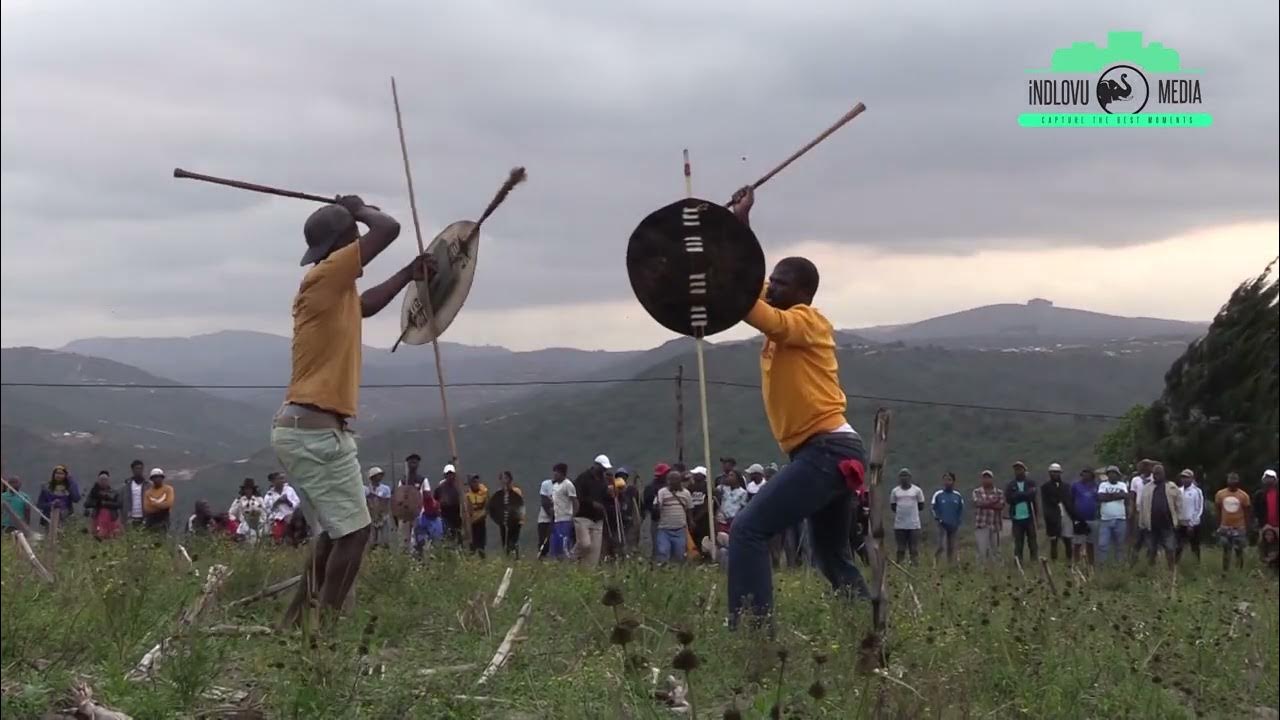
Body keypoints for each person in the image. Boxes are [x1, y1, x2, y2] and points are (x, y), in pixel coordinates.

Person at [269, 192, 425, 628]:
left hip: (308, 427)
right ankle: (323, 636)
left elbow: (367, 306)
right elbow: (388, 229)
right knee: (355, 535)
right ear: (347, 240)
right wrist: (359, 209)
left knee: (341, 531)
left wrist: (408, 275)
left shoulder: (331, 289)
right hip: (314, 430)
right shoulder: (327, 275)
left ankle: (295, 625)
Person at [723, 185, 871, 628]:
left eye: (781, 282)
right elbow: (758, 297)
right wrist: (740, 227)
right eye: (771, 279)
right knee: (830, 557)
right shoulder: (782, 332)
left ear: (804, 292)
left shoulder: (807, 321)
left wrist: (734, 248)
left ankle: (752, 630)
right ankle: (869, 623)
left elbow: (755, 309)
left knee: (748, 530)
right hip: (829, 452)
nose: (771, 286)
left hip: (827, 451)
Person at [1137, 463, 1182, 569]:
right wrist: (1141, 523)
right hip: (1151, 524)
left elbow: (1179, 505)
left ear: (1163, 474)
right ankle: (1151, 570)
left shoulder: (1172, 487)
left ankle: (1171, 570)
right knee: (1151, 548)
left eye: (1159, 473)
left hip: (1167, 523)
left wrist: (1178, 519)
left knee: (1170, 548)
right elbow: (1142, 506)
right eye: (1155, 474)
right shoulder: (1147, 488)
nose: (1157, 476)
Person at [572, 455, 610, 566]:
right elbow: (577, 495)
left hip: (598, 519)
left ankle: (587, 573)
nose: (604, 470)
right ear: (596, 466)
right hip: (583, 516)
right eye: (603, 468)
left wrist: (609, 494)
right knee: (585, 544)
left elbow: (604, 497)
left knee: (594, 552)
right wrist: (591, 503)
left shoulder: (603, 481)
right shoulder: (583, 478)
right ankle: (570, 557)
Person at [1214, 472, 1251, 572]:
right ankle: (1225, 571)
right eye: (1230, 480)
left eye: (1234, 480)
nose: (1232, 482)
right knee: (1226, 549)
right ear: (1227, 481)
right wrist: (1219, 525)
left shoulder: (1244, 496)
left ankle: (1239, 570)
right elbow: (1217, 509)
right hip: (1225, 526)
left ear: (1238, 482)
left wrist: (1246, 526)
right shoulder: (1220, 494)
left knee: (1239, 550)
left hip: (1239, 527)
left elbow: (1247, 512)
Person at [654, 469, 693, 564]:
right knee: (663, 552)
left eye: (675, 479)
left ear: (680, 481)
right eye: (670, 479)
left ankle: (678, 574)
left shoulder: (686, 493)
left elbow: (689, 509)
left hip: (680, 529)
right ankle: (664, 572)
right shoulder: (662, 492)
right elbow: (657, 506)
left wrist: (691, 521)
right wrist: (657, 506)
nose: (672, 482)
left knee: (680, 554)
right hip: (664, 529)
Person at [1004, 461, 1040, 563]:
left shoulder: (1030, 483)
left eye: (1020, 469)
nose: (1018, 471)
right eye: (1016, 469)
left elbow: (1032, 496)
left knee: (1032, 541)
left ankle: (1034, 561)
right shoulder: (1011, 485)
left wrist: (1018, 495)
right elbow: (1009, 499)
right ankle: (1018, 562)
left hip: (1030, 516)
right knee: (1018, 542)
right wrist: (1024, 495)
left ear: (1024, 470)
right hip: (1016, 518)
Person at [890, 469, 925, 565]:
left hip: (914, 525)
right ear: (899, 478)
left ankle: (915, 566)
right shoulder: (895, 491)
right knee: (900, 548)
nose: (904, 478)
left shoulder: (917, 491)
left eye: (906, 476)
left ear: (910, 477)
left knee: (913, 549)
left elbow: (921, 506)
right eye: (902, 476)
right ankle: (899, 566)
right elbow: (893, 507)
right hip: (899, 525)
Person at [1041, 463, 1073, 563]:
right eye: (1053, 472)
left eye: (1057, 472)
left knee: (1068, 540)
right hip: (1053, 517)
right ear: (1049, 473)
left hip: (1066, 516)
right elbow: (1047, 502)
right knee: (1053, 541)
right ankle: (1054, 561)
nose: (1055, 474)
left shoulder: (1066, 486)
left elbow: (1069, 500)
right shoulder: (1045, 487)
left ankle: (1069, 561)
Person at [1096, 466, 1129, 564]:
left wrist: (1109, 496)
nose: (1111, 475)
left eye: (1114, 473)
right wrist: (1117, 495)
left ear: (1117, 475)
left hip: (1120, 519)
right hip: (1105, 520)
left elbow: (1125, 496)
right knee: (1103, 545)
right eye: (1109, 473)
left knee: (1120, 545)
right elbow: (1100, 497)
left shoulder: (1122, 485)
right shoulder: (1103, 485)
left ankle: (1119, 565)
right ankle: (1103, 565)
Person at [488, 470, 525, 557]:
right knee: (505, 541)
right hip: (503, 521)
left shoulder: (516, 491)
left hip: (515, 521)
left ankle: (515, 558)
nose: (504, 481)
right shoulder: (499, 493)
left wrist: (519, 518)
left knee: (513, 541)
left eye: (506, 478)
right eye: (502, 479)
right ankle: (507, 557)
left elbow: (519, 505)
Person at [1068, 468, 1100, 567]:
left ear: (1092, 475)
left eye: (1088, 473)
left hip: (1093, 518)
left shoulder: (1096, 486)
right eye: (1083, 474)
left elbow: (1099, 500)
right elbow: (1071, 500)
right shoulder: (1075, 486)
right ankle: (1076, 565)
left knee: (1090, 543)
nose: (1085, 475)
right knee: (1077, 543)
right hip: (1079, 519)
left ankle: (1091, 565)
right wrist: (1074, 516)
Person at [931, 472, 965, 564]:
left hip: (953, 525)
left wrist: (958, 521)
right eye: (945, 480)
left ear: (953, 481)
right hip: (942, 525)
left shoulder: (957, 496)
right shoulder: (938, 495)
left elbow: (960, 510)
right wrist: (939, 519)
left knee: (952, 547)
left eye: (949, 480)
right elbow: (933, 508)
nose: (947, 482)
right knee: (941, 545)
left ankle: (950, 565)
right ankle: (936, 565)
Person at [971, 470, 1005, 565]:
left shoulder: (999, 492)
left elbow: (1001, 506)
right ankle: (981, 570)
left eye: (988, 477)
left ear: (992, 479)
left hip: (995, 525)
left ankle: (998, 570)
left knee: (996, 550)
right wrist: (993, 502)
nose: (986, 480)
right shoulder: (977, 491)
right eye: (984, 477)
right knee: (981, 550)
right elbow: (978, 503)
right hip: (981, 524)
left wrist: (985, 503)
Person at [1128, 459, 1155, 561]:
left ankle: (1150, 559)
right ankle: (1134, 559)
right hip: (1139, 512)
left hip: (1152, 512)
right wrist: (1131, 510)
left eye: (1147, 465)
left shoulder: (1154, 478)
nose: (1145, 467)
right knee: (1138, 537)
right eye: (1143, 465)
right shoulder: (1135, 480)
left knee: (1151, 537)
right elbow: (1132, 496)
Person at [264, 472, 301, 544]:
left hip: (291, 515)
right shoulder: (269, 495)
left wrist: (288, 502)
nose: (281, 481)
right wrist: (277, 502)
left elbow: (297, 502)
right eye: (279, 479)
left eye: (282, 479)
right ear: (273, 481)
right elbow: (266, 509)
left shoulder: (289, 490)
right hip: (277, 518)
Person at [84, 471, 123, 540]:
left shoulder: (113, 492)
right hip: (97, 518)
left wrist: (105, 503)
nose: (103, 481)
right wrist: (97, 503)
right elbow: (87, 503)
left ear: (108, 481)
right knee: (96, 537)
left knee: (112, 537)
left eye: (105, 480)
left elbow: (119, 504)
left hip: (111, 519)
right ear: (98, 481)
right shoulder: (94, 492)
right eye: (101, 480)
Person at [549, 463, 577, 559]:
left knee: (564, 544)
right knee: (555, 544)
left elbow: (575, 502)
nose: (555, 475)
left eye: (556, 473)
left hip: (566, 519)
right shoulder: (555, 486)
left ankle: (568, 561)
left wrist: (573, 517)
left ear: (562, 473)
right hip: (557, 519)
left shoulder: (568, 485)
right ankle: (556, 562)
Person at [1176, 469, 1204, 563]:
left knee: (1194, 546)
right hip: (1181, 522)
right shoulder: (1178, 490)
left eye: (1187, 477)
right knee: (1178, 546)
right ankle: (1176, 565)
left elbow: (1199, 508)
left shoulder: (1197, 491)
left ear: (1191, 478)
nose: (1184, 479)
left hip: (1193, 524)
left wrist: (1192, 523)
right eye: (1183, 477)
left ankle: (1196, 565)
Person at [1251, 469, 1277, 567]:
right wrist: (1259, 523)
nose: (1269, 481)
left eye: (1271, 478)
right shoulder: (1259, 495)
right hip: (1264, 525)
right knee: (1263, 546)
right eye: (1267, 478)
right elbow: (1256, 510)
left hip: (1277, 525)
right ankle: (1266, 566)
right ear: (1263, 480)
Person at [643, 463, 670, 556]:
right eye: (666, 473)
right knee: (657, 543)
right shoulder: (651, 488)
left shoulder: (667, 486)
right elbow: (647, 504)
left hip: (668, 519)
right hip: (657, 520)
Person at [228, 478, 265, 544]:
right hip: (243, 527)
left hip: (256, 526)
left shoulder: (259, 500)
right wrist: (236, 522)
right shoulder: (238, 500)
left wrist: (261, 523)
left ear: (253, 490)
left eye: (250, 489)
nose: (248, 491)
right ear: (243, 490)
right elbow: (231, 513)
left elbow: (264, 513)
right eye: (246, 489)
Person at [434, 464, 464, 546]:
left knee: (459, 537)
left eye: (451, 474)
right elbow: (435, 501)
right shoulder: (440, 488)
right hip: (445, 516)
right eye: (448, 474)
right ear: (445, 475)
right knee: (448, 537)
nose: (450, 476)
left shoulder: (459, 487)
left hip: (457, 516)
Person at [365, 467, 394, 550]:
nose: (380, 477)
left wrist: (383, 515)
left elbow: (387, 503)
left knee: (385, 540)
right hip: (371, 518)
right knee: (372, 541)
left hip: (383, 517)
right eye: (378, 475)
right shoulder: (366, 490)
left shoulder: (385, 489)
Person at [716, 470, 750, 537]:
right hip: (721, 521)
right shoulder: (723, 489)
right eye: (728, 475)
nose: (729, 477)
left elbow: (742, 508)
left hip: (733, 521)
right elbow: (715, 492)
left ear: (737, 479)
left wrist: (734, 518)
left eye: (732, 475)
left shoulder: (743, 492)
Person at [618, 468, 643, 556]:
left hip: (631, 521)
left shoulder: (631, 490)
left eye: (623, 476)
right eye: (619, 476)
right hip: (618, 521)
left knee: (631, 541)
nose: (622, 478)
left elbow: (638, 505)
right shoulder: (615, 489)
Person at [687, 466, 712, 551]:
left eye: (696, 474)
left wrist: (695, 519)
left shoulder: (708, 487)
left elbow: (707, 506)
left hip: (704, 520)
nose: (694, 475)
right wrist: (691, 520)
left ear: (702, 476)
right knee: (693, 539)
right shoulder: (690, 487)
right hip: (691, 518)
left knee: (703, 539)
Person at [465, 474, 490, 558]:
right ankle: (470, 563)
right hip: (471, 523)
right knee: (472, 546)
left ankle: (483, 561)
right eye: (474, 482)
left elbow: (487, 508)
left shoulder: (484, 491)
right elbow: (468, 510)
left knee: (481, 545)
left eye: (477, 481)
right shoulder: (467, 494)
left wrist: (480, 516)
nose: (476, 483)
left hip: (481, 521)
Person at [123, 460, 148, 529]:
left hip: (144, 517)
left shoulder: (148, 485)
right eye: (137, 468)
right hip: (130, 517)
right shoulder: (126, 485)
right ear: (132, 470)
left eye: (141, 468)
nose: (139, 470)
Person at [537, 472, 556, 557]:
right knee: (544, 542)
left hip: (559, 519)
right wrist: (550, 513)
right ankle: (541, 559)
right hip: (544, 519)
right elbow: (544, 501)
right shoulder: (546, 484)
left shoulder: (566, 485)